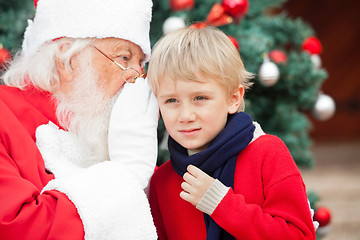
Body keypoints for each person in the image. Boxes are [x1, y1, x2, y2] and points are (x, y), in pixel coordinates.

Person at [0, 0, 158, 239]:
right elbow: (17, 227)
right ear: (67, 61)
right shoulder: (4, 116)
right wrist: (122, 180)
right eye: (124, 58)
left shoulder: (120, 138)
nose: (137, 76)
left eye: (140, 63)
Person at [147, 27, 316, 240]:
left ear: (233, 98)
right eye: (171, 101)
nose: (186, 115)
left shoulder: (267, 153)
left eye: (200, 98)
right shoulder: (162, 181)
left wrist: (222, 204)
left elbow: (299, 236)